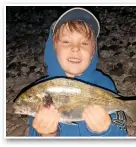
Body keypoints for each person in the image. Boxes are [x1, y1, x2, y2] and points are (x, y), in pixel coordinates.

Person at [29, 7, 128, 137]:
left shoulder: (103, 84)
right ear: (53, 48)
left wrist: (105, 130)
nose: (75, 48)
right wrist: (47, 135)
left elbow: (121, 135)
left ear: (93, 52)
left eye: (84, 43)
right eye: (66, 41)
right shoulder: (41, 90)